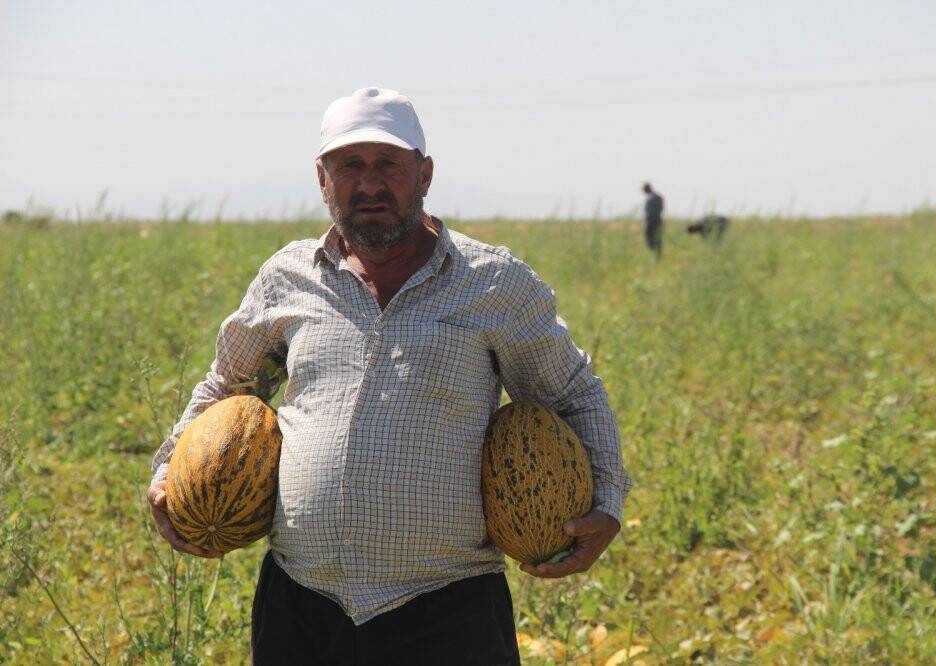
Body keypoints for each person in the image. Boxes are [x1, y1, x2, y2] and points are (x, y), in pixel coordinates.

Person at [146, 87, 632, 665]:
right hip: (301, 603)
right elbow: (230, 386)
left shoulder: (493, 283)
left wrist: (607, 500)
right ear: (322, 179)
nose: (369, 183)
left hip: (448, 608)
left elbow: (572, 393)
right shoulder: (289, 278)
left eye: (389, 165)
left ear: (424, 174)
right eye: (349, 165)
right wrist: (168, 471)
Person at [641, 182, 665, 260]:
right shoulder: (658, 197)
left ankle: (655, 254)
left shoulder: (651, 198)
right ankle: (657, 256)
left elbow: (651, 211)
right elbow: (662, 208)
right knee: (657, 238)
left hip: (651, 221)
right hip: (658, 220)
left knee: (650, 238)